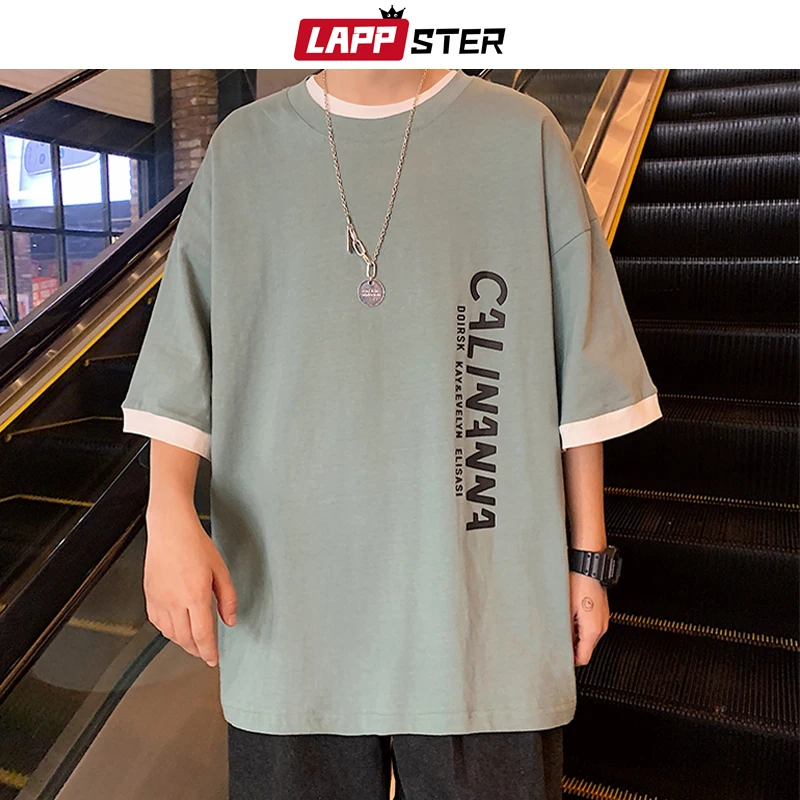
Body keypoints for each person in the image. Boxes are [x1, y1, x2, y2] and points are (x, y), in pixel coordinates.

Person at [120, 68, 661, 799]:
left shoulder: (523, 135)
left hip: (481, 601)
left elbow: (585, 369)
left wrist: (587, 559)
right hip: (290, 603)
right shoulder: (243, 149)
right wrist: (167, 512)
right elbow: (183, 357)